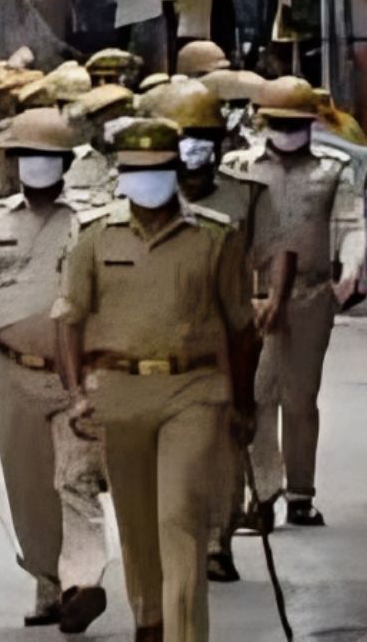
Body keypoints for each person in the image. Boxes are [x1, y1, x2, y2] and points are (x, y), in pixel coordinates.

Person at [55, 118, 258, 642]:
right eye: (136, 170)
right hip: (119, 394)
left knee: (179, 517)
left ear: (177, 170)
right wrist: (76, 396)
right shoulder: (94, 234)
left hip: (194, 392)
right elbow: (69, 320)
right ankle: (149, 619)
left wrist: (243, 403)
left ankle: (183, 634)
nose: (147, 180)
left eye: (158, 168)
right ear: (121, 174)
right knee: (138, 522)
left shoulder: (215, 237)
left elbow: (241, 329)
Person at [0, 108, 109, 632]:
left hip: (75, 374)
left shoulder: (91, 223)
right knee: (28, 487)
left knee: (77, 478)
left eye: (48, 157)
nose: (37, 165)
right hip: (10, 372)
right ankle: (49, 583)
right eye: (28, 156)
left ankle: (83, 580)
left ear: (65, 163)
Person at [145, 80, 292, 580]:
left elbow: (275, 249)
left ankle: (215, 540)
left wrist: (273, 299)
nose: (194, 149)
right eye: (183, 138)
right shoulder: (140, 197)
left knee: (225, 439)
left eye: (203, 137)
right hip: (157, 337)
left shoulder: (247, 196)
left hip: (226, 337)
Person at [222, 76, 365, 527]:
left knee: (301, 396)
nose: (287, 132)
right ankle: (264, 493)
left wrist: (349, 269)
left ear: (311, 123)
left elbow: (350, 224)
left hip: (310, 292)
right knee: (257, 392)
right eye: (279, 123)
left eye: (295, 124)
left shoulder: (333, 169)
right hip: (253, 290)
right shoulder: (239, 166)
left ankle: (301, 492)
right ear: (265, 122)